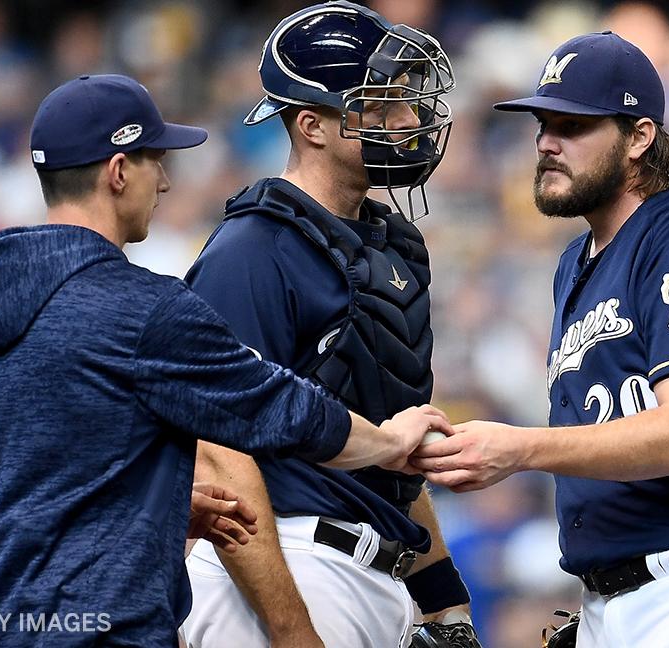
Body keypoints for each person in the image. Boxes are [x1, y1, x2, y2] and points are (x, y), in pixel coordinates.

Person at [0, 73, 453, 648]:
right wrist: (389, 444)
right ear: (118, 172)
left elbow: (36, 490)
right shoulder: (140, 310)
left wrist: (157, 509)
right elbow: (286, 410)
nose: (165, 181)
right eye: (155, 160)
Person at [412, 32, 669, 647]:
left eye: (572, 125)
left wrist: (520, 450)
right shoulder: (577, 261)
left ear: (639, 137)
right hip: (614, 600)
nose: (546, 142)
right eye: (543, 124)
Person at [179, 4, 480, 648]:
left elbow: (396, 452)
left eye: (403, 99)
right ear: (311, 125)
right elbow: (216, 452)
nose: (405, 121)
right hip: (278, 569)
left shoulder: (388, 246)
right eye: (379, 107)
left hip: (372, 573)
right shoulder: (252, 249)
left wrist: (443, 601)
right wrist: (291, 630)